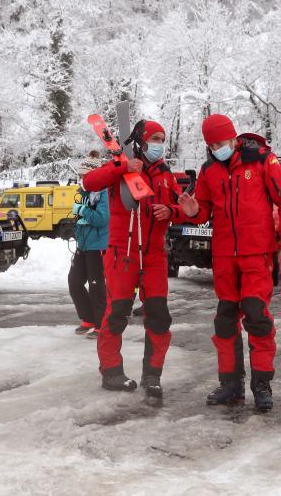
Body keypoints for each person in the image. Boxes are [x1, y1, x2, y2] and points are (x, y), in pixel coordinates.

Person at [167, 114, 281, 412]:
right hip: (225, 257)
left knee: (256, 316)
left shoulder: (262, 160)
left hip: (257, 255)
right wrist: (192, 209)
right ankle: (231, 384)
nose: (216, 148)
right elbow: (202, 213)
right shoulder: (209, 169)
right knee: (225, 320)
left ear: (233, 138)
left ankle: (262, 384)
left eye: (221, 142)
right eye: (211, 144)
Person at [82, 120, 181, 403]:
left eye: (163, 138)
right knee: (116, 314)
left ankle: (153, 375)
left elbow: (182, 206)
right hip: (122, 253)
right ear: (142, 141)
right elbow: (89, 183)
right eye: (155, 138)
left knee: (159, 316)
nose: (160, 144)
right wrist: (123, 167)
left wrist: (172, 210)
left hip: (154, 256)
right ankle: (111, 371)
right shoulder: (122, 166)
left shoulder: (165, 173)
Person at [70, 151, 109, 339]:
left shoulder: (104, 192)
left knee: (96, 285)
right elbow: (82, 216)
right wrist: (77, 220)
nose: (81, 179)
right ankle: (88, 317)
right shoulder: (83, 193)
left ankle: (103, 323)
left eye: (84, 175)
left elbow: (102, 219)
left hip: (98, 245)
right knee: (74, 282)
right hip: (83, 244)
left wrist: (83, 211)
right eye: (80, 175)